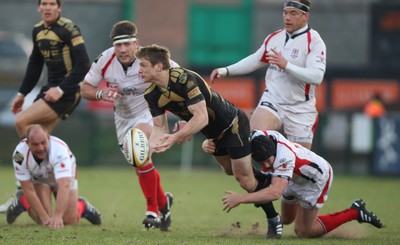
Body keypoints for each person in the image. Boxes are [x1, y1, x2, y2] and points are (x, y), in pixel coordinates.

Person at [136, 44, 283, 239]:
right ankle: (264, 180)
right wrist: (148, 149)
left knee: (245, 181)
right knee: (230, 171)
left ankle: (274, 220)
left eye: (143, 65)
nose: (139, 70)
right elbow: (159, 128)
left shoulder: (184, 79)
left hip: (233, 125)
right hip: (213, 136)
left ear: (159, 66)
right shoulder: (151, 94)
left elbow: (202, 117)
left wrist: (175, 137)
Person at [80, 21, 173, 231]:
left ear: (136, 44)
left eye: (127, 44)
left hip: (149, 113)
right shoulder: (104, 60)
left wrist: (185, 116)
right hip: (122, 118)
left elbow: (180, 80)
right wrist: (101, 93)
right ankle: (164, 203)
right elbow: (84, 89)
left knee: (140, 153)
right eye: (118, 45)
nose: (122, 50)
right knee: (140, 164)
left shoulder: (150, 59)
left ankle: (152, 211)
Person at [1, 0, 91, 212]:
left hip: (67, 92)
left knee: (22, 122)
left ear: (59, 8)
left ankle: (25, 188)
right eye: (44, 3)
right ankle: (76, 205)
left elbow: (84, 65)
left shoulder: (69, 29)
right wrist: (22, 93)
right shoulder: (37, 31)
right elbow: (34, 65)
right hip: (48, 91)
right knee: (41, 141)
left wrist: (61, 89)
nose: (48, 7)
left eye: (52, 3)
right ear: (38, 8)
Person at [217, 129, 383, 238]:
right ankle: (288, 222)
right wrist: (215, 145)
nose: (266, 165)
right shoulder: (260, 137)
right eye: (263, 162)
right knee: (287, 219)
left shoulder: (284, 158)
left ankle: (355, 211)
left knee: (303, 231)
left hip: (315, 181)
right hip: (292, 178)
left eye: (268, 161)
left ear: (273, 152)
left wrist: (240, 199)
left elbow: (274, 193)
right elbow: (240, 136)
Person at [210, 0, 326, 150]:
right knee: (254, 140)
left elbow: (317, 76)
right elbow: (255, 59)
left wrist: (287, 65)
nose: (287, 18)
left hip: (300, 108)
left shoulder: (314, 41)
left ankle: (275, 171)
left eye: (293, 13)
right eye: (285, 13)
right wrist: (226, 70)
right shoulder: (274, 38)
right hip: (273, 100)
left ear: (305, 16)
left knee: (296, 167)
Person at [6, 124, 102, 228]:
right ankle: (22, 200)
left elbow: (64, 184)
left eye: (43, 143)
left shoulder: (60, 150)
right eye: (35, 144)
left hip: (63, 179)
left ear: (48, 138)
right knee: (42, 218)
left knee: (69, 220)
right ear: (27, 143)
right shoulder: (18, 155)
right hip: (39, 179)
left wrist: (58, 215)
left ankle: (83, 206)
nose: (40, 148)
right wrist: (44, 218)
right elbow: (28, 189)